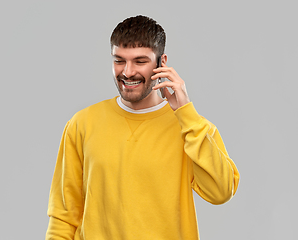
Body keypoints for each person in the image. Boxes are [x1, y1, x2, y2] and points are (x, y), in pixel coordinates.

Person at [45, 15, 239, 240]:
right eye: (119, 60)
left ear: (161, 62)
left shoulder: (191, 128)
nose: (127, 72)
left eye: (140, 61)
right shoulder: (82, 123)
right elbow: (63, 215)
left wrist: (186, 113)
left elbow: (221, 192)